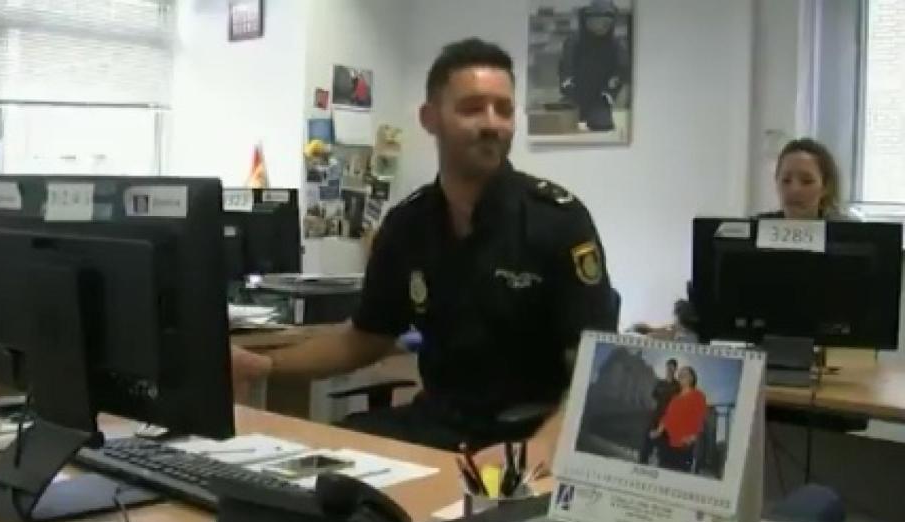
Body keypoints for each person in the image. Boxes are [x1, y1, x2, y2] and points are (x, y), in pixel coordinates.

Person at [231, 38, 617, 452]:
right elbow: (364, 338)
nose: (492, 123)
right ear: (429, 118)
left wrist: (536, 456)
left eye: (503, 109)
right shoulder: (407, 225)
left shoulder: (557, 221)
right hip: (438, 426)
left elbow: (594, 370)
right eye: (472, 108)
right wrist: (267, 366)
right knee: (315, 465)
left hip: (526, 434)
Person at [632, 137, 845, 338]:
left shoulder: (846, 238)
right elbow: (710, 302)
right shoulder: (753, 233)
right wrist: (675, 330)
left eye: (806, 181)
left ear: (825, 187)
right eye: (786, 180)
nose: (794, 189)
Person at [558, 0, 630, 132]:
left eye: (605, 23)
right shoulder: (573, 42)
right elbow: (565, 68)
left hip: (600, 98)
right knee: (559, 124)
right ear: (586, 21)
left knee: (601, 124)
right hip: (575, 94)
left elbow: (619, 74)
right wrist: (568, 87)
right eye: (595, 22)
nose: (600, 27)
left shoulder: (616, 46)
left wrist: (607, 95)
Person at [650, 366, 707, 473]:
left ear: (692, 378)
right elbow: (666, 417)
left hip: (684, 444)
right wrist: (658, 431)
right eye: (680, 373)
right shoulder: (675, 398)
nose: (681, 375)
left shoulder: (698, 395)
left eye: (685, 373)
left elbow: (700, 417)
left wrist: (692, 437)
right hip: (667, 443)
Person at [639, 358, 679, 464]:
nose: (670, 369)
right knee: (645, 449)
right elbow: (653, 398)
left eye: (672, 367)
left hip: (668, 422)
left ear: (675, 369)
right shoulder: (660, 384)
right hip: (655, 419)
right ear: (666, 368)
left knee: (664, 454)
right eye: (668, 366)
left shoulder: (677, 386)